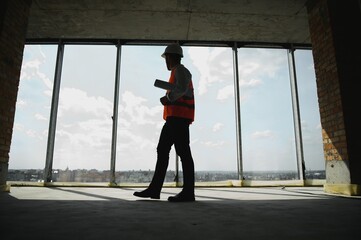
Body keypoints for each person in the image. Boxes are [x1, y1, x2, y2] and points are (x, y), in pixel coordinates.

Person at [133, 43, 196, 202]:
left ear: (172, 57)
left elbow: (181, 89)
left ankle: (188, 192)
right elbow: (180, 89)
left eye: (166, 58)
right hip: (174, 118)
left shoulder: (181, 71)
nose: (165, 61)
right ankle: (155, 189)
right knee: (163, 150)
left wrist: (167, 98)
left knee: (183, 153)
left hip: (178, 118)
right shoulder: (176, 72)